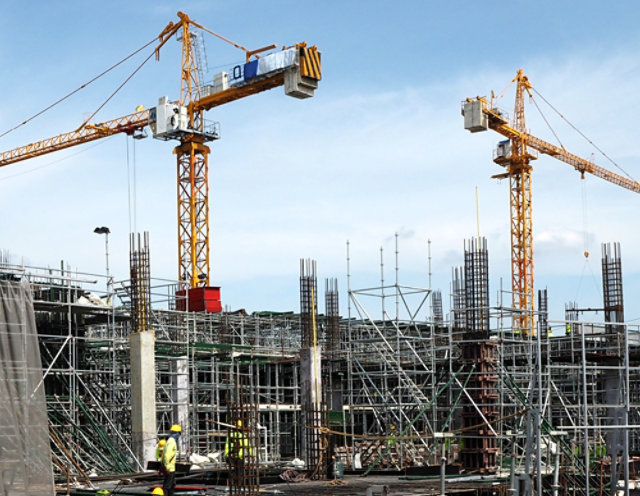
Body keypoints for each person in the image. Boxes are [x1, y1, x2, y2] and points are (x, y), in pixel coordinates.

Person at [162, 425, 181, 496]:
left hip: (171, 467)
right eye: (179, 434)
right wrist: (167, 467)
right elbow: (167, 455)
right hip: (170, 468)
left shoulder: (170, 441)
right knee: (167, 486)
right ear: (177, 433)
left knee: (172, 484)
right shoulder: (171, 442)